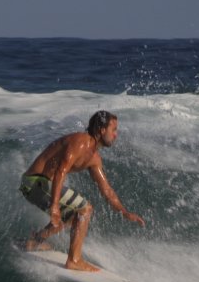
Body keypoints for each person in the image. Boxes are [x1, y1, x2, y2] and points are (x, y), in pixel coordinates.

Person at [19, 110, 145, 272]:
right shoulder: (80, 142)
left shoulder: (94, 158)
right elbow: (61, 171)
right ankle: (74, 260)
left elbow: (107, 190)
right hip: (34, 182)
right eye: (113, 130)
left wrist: (124, 212)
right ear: (101, 130)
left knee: (72, 217)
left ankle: (35, 240)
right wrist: (55, 206)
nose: (116, 135)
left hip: (38, 186)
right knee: (85, 209)